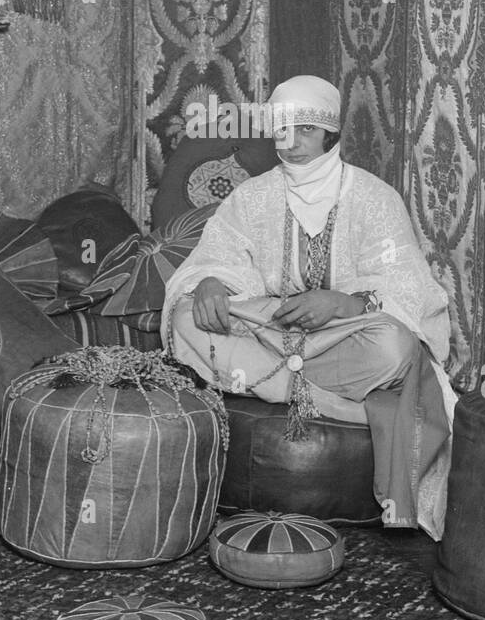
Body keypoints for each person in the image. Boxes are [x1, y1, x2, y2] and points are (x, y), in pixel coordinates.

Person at [161, 75, 458, 539]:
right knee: (186, 320)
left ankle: (282, 384)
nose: (291, 141)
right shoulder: (253, 196)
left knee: (393, 346)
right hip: (271, 331)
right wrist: (209, 282)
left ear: (330, 134)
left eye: (305, 129)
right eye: (282, 129)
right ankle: (339, 405)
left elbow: (409, 287)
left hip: (341, 339)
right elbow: (219, 258)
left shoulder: (374, 198)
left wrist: (342, 302)